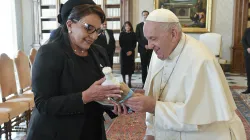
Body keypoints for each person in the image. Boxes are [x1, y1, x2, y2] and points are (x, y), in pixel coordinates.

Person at [125, 9, 246, 140]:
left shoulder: (201, 60)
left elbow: (200, 118)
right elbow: (155, 94)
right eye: (147, 39)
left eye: (153, 38)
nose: (148, 46)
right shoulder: (157, 54)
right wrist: (151, 131)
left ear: (173, 34)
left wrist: (154, 106)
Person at [26, 0, 128, 140]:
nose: (93, 36)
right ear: (69, 25)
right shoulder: (49, 53)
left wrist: (114, 103)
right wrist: (86, 96)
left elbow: (100, 92)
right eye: (88, 28)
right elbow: (43, 104)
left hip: (92, 129)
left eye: (98, 31)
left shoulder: (99, 52)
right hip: (56, 132)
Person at [136, 10, 153, 86]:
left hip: (151, 49)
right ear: (142, 16)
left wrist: (149, 45)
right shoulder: (139, 26)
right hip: (142, 49)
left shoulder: (152, 25)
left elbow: (153, 36)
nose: (145, 16)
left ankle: (150, 82)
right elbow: (137, 37)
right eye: (144, 15)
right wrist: (144, 45)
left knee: (150, 66)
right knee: (143, 66)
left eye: (146, 15)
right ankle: (144, 82)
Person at [119, 21, 137, 88]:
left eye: (129, 26)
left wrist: (131, 51)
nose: (127, 27)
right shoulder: (122, 34)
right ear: (124, 27)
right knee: (123, 67)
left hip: (131, 53)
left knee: (130, 67)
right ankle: (124, 81)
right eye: (126, 26)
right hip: (123, 53)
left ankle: (129, 82)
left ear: (130, 27)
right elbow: (121, 43)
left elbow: (134, 44)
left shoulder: (133, 34)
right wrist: (126, 51)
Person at [241, 27, 250, 94]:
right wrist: (247, 48)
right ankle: (249, 88)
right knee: (249, 71)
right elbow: (243, 40)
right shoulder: (247, 30)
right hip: (248, 54)